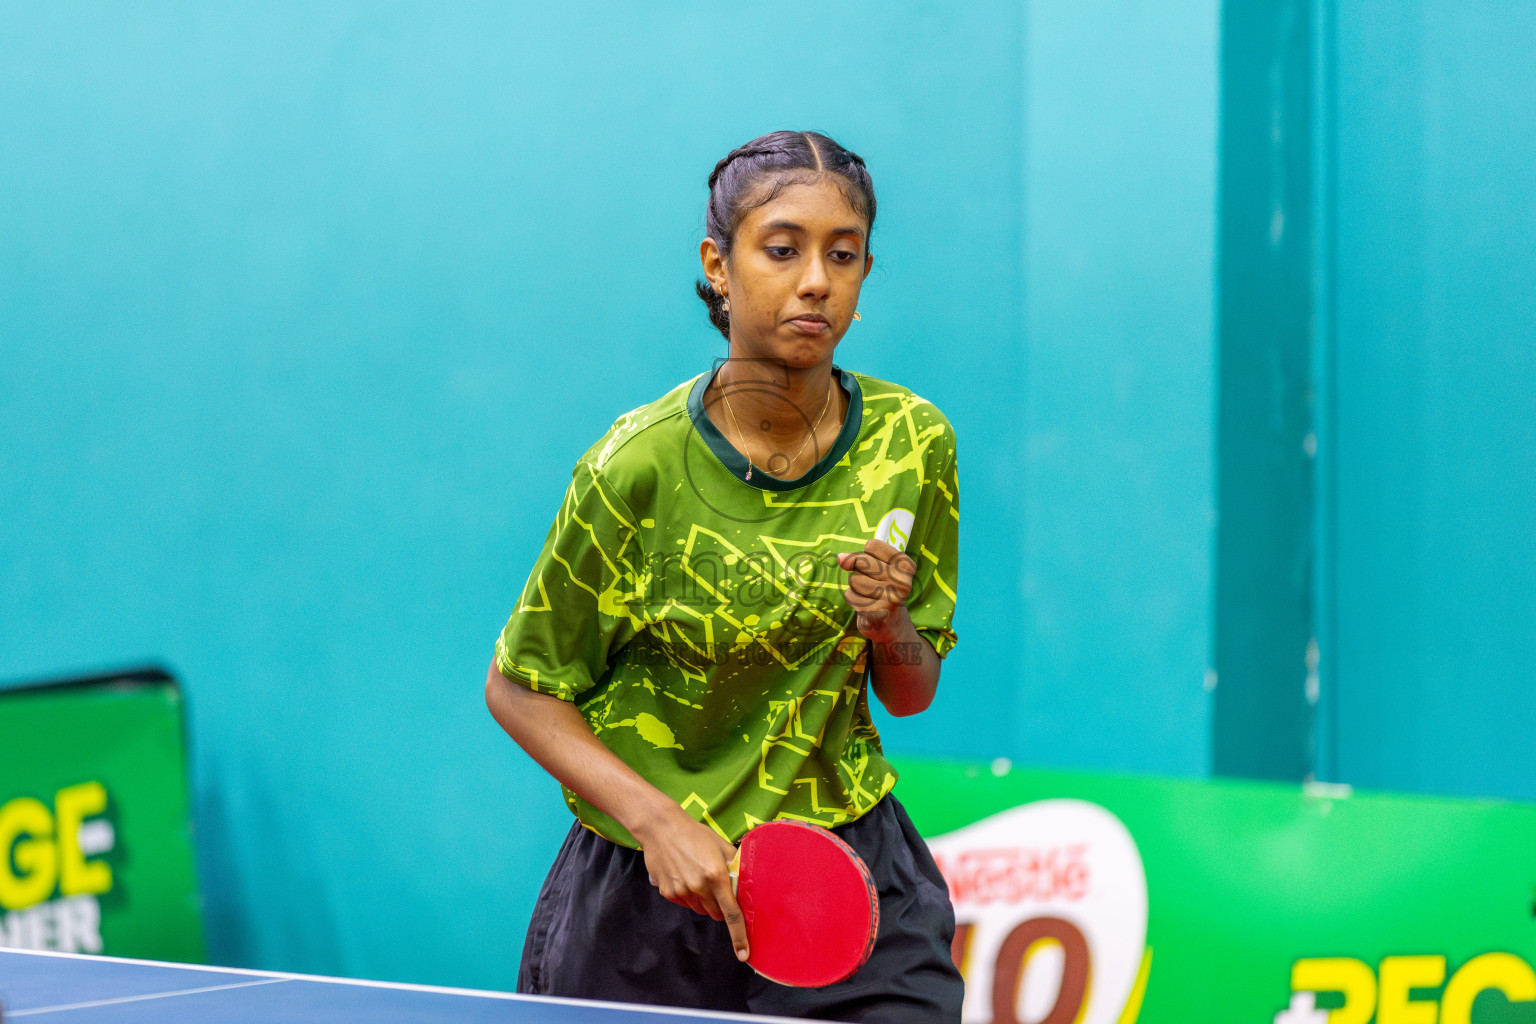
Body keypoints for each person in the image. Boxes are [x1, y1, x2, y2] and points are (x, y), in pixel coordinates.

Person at [484, 130, 964, 1022]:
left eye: (844, 254)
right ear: (718, 264)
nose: (815, 279)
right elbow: (519, 691)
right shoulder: (634, 470)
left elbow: (911, 692)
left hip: (847, 879)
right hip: (648, 899)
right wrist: (660, 823)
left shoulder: (914, 444)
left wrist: (890, 624)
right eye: (781, 249)